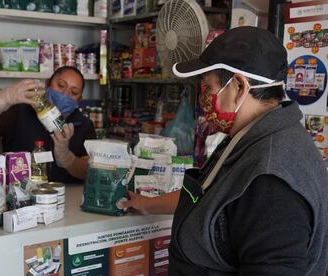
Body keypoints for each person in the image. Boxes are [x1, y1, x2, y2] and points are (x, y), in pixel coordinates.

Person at [120, 26, 328, 275]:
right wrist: (148, 204)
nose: (204, 97)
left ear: (239, 87)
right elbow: (211, 197)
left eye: (208, 87)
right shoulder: (252, 138)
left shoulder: (272, 179)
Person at [0, 66, 96, 183]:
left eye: (74, 92)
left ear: (79, 99)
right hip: (20, 194)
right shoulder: (20, 111)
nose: (64, 94)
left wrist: (67, 158)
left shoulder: (84, 125)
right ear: (48, 84)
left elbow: (88, 172)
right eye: (61, 85)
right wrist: (0, 100)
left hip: (66, 196)